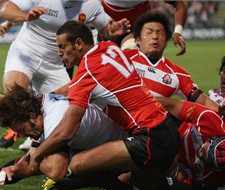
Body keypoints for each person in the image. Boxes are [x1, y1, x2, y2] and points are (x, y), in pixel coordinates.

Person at [21, 21, 180, 190]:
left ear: (78, 44)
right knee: (120, 169)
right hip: (167, 128)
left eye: (62, 46)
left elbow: (66, 132)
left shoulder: (87, 71)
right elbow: (74, 85)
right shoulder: (108, 46)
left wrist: (38, 154)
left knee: (77, 164)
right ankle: (152, 181)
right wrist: (46, 97)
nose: (59, 53)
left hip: (150, 138)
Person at [0, 0, 130, 148]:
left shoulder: (92, 5)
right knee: (15, 87)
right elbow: (4, 8)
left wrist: (111, 31)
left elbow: (106, 28)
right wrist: (25, 16)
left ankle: (37, 137)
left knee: (65, 109)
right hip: (26, 53)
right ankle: (17, 130)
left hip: (55, 64)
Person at [0, 86, 142, 190]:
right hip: (109, 141)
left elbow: (55, 170)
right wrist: (14, 168)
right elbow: (32, 154)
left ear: (31, 116)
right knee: (42, 158)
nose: (24, 136)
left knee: (71, 167)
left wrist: (21, 167)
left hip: (128, 150)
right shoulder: (43, 104)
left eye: (24, 130)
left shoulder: (54, 121)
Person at [126, 11, 218, 111]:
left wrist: (220, 111)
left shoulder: (178, 74)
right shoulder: (124, 59)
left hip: (154, 124)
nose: (155, 37)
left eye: (160, 33)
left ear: (166, 41)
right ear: (138, 40)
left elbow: (203, 101)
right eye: (149, 32)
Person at [101, 0, 187, 55]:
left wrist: (178, 31)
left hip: (138, 22)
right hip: (106, 21)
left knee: (135, 53)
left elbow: (179, 4)